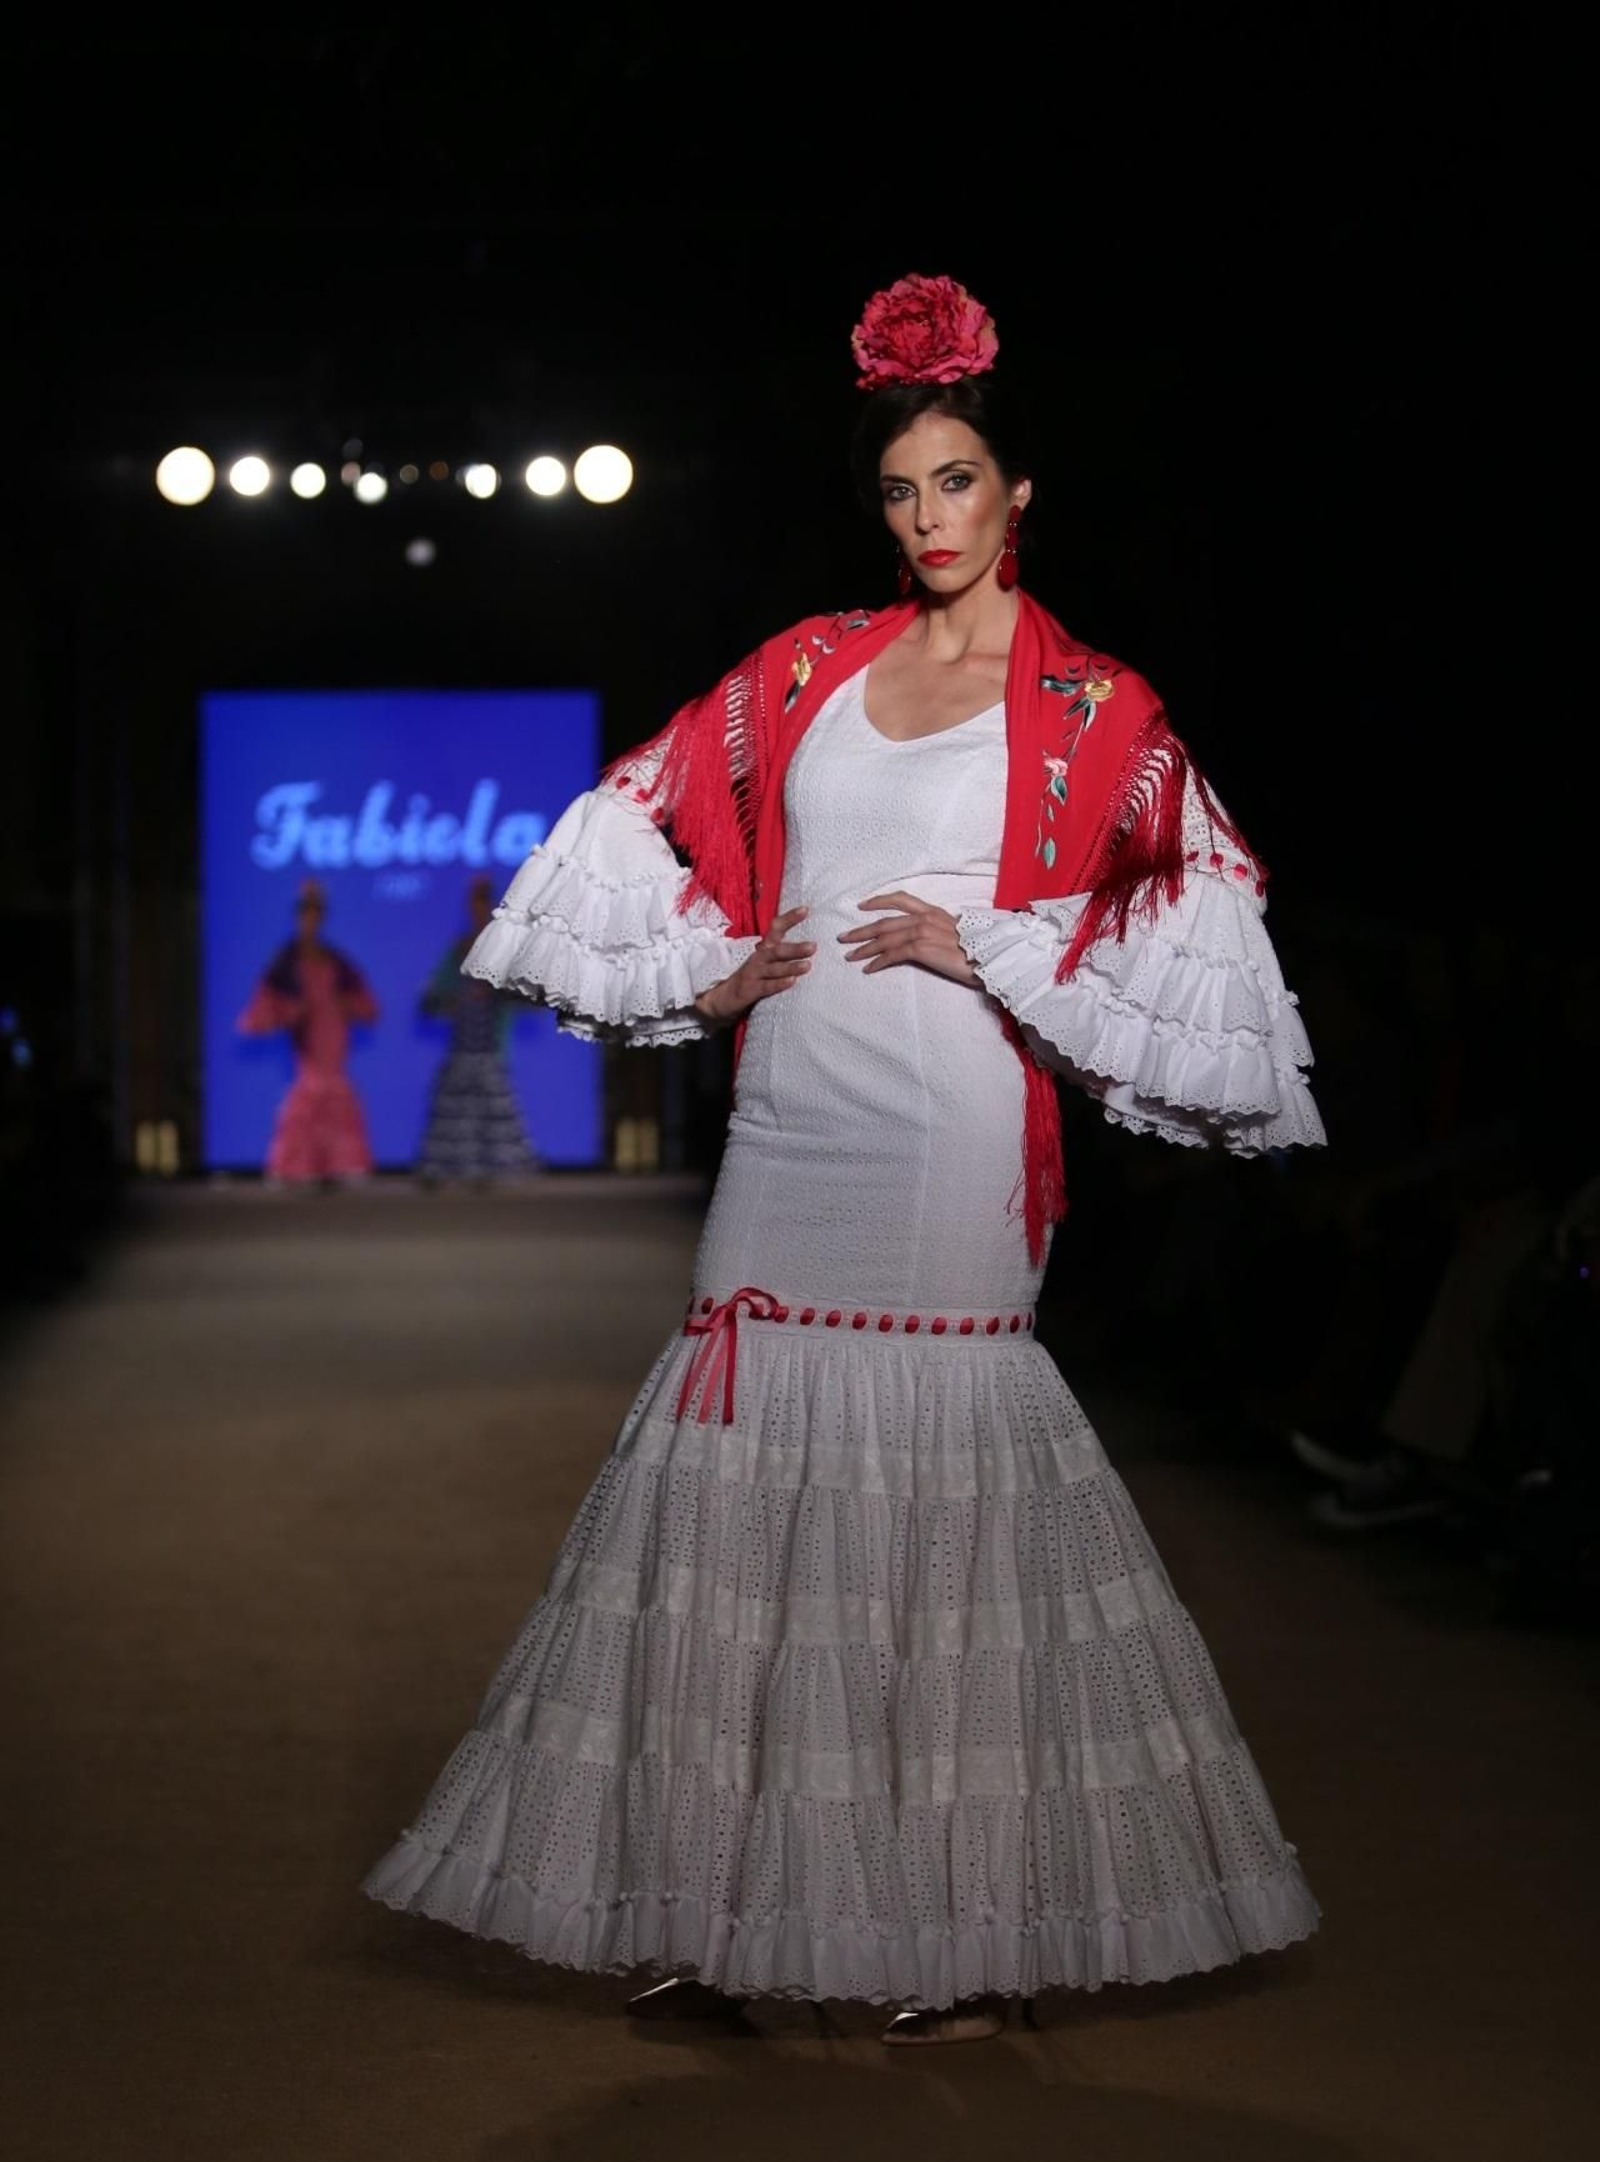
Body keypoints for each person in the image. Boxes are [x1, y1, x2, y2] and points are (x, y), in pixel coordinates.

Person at [363, 275, 1327, 2042]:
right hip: (796, 1101)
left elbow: (1198, 911)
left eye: (956, 481)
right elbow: (641, 815)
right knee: (746, 1496)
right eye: (900, 490)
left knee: (938, 1509)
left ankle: (939, 1943)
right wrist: (712, 970)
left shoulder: (1100, 706)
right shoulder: (803, 666)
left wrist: (1002, 954)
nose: (928, 516)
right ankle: (740, 1918)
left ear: (1017, 493)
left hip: (956, 1115)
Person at [237, 878, 379, 1186]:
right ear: (299, 917)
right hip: (309, 1035)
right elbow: (264, 1008)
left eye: (316, 913)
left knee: (336, 1088)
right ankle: (297, 1165)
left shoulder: (336, 960)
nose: (311, 920)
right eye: (306, 913)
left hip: (333, 1030)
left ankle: (341, 1164)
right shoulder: (286, 961)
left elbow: (364, 1003)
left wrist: (347, 1006)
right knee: (311, 1088)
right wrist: (289, 1013)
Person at [417, 874, 540, 1185]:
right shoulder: (459, 950)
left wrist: (494, 993)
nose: (479, 908)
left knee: (492, 1103)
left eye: (484, 902)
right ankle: (447, 1168)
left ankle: (494, 1169)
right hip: (463, 1045)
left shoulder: (504, 950)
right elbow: (429, 1000)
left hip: (490, 1045)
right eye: (475, 902)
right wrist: (456, 1000)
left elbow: (528, 995)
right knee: (456, 1104)